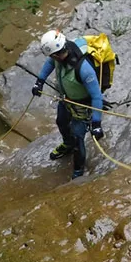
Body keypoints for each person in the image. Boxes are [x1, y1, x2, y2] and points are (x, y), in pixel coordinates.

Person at [30, 29, 104, 179]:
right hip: (65, 99)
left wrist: (96, 123)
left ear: (57, 53)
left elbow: (96, 96)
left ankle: (78, 171)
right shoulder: (58, 55)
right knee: (61, 122)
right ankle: (67, 144)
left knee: (78, 137)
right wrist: (40, 82)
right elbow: (49, 63)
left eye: (53, 56)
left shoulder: (84, 69)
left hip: (82, 105)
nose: (52, 58)